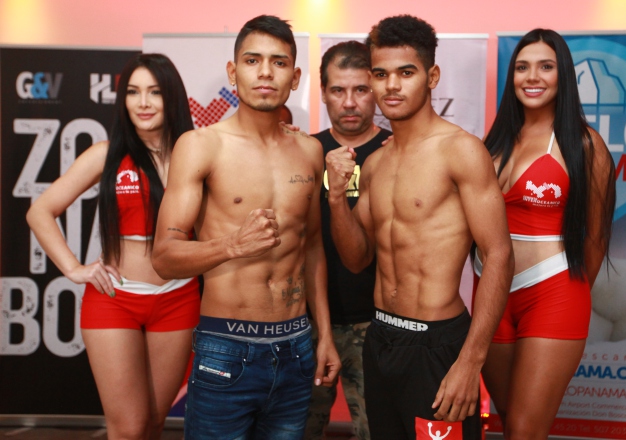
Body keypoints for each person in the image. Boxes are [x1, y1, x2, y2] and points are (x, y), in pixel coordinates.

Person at [150, 15, 341, 439]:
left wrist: (323, 335)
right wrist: (233, 245)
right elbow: (164, 257)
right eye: (253, 61)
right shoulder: (201, 146)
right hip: (226, 348)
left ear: (295, 76)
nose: (266, 72)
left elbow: (310, 249)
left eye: (279, 62)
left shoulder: (309, 151)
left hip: (296, 346)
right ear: (233, 74)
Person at [325, 15, 514, 440]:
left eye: (405, 73)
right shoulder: (375, 163)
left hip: (437, 345)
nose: (391, 86)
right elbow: (357, 260)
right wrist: (336, 198)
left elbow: (499, 254)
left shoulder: (461, 151)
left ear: (431, 76)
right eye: (381, 74)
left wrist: (470, 362)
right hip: (381, 338)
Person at [26, 53, 199, 439]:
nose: (143, 102)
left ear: (171, 97)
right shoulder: (106, 154)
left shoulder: (196, 153)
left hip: (178, 298)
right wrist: (74, 268)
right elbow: (41, 211)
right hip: (114, 299)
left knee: (153, 424)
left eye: (154, 92)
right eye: (133, 92)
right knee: (128, 428)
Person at [476, 28, 616, 439]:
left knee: (524, 429)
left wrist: (565, 292)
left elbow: (594, 240)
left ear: (563, 76)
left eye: (545, 67)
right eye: (522, 67)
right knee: (508, 423)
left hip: (553, 292)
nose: (531, 77)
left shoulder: (586, 146)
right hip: (492, 294)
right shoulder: (493, 143)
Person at [304, 40, 391, 440]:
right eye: (338, 90)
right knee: (297, 431)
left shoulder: (396, 151)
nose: (350, 102)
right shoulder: (303, 152)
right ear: (323, 93)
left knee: (377, 431)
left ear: (375, 88)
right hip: (305, 324)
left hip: (377, 324)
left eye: (361, 89)